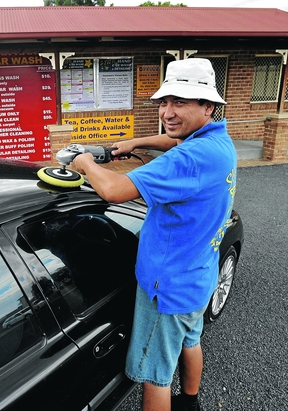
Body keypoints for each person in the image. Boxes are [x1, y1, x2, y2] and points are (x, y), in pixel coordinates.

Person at [72, 58, 237, 411]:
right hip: (198, 275)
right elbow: (174, 141)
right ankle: (190, 403)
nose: (168, 111)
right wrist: (136, 142)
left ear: (207, 106)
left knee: (155, 373)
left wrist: (86, 162)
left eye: (180, 101)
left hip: (168, 287)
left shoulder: (186, 160)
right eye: (164, 102)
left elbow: (114, 190)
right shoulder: (218, 144)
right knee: (190, 340)